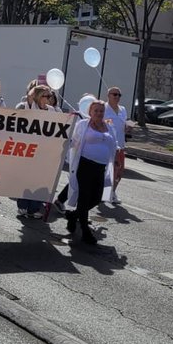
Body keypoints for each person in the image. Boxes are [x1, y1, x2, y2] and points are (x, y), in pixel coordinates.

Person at [64, 98, 116, 245]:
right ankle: (85, 232)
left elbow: (113, 143)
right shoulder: (83, 125)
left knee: (97, 197)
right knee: (84, 197)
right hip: (85, 165)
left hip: (101, 167)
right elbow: (73, 141)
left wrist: (116, 159)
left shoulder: (108, 126)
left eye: (101, 111)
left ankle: (74, 215)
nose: (99, 113)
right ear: (90, 112)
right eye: (96, 111)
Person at [15, 84, 53, 219]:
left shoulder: (52, 110)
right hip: (30, 148)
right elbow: (29, 97)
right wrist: (37, 87)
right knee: (27, 179)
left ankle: (33, 208)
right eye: (45, 95)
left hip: (44, 150)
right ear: (38, 96)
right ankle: (23, 206)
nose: (48, 98)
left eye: (50, 95)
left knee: (40, 180)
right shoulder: (32, 107)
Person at [104, 86, 128, 206]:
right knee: (108, 171)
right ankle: (106, 193)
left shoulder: (123, 109)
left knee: (120, 171)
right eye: (114, 94)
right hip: (107, 145)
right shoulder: (104, 109)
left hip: (120, 145)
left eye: (119, 95)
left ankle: (112, 192)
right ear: (108, 96)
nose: (117, 97)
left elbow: (123, 126)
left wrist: (128, 128)